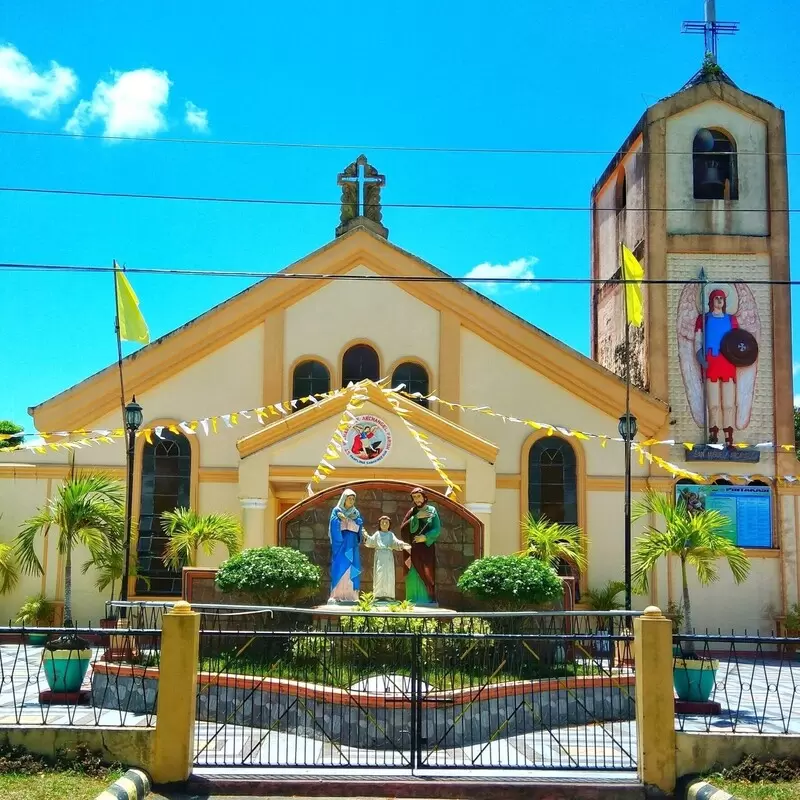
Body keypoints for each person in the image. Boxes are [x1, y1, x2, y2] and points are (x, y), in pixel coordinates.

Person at [694, 288, 738, 447]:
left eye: (721, 298)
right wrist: (700, 356)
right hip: (711, 361)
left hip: (728, 362)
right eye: (716, 298)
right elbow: (698, 339)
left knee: (728, 403)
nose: (719, 300)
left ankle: (729, 437)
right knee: (713, 403)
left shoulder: (731, 320)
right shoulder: (703, 319)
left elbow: (738, 341)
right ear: (711, 301)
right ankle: (713, 434)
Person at [400, 487, 441, 604]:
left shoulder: (432, 511)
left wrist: (426, 537)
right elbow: (403, 529)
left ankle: (427, 599)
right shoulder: (412, 512)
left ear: (424, 497)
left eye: (419, 496)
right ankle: (411, 600)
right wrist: (415, 518)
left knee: (427, 573)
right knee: (413, 573)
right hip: (413, 550)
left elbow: (437, 529)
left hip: (426, 549)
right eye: (414, 497)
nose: (417, 499)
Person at [327, 488, 363, 604]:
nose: (351, 501)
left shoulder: (355, 513)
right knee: (339, 567)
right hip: (341, 544)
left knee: (352, 567)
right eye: (349, 498)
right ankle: (336, 595)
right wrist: (341, 521)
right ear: (344, 499)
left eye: (353, 499)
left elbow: (358, 527)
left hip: (351, 544)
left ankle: (352, 595)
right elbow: (333, 525)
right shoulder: (337, 511)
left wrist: (349, 522)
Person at [364, 516, 410, 600]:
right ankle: (378, 595)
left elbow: (396, 542)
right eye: (382, 523)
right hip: (380, 556)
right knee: (379, 574)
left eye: (386, 523)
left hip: (388, 557)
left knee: (389, 575)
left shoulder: (390, 534)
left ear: (389, 525)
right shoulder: (377, 534)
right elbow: (370, 542)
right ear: (379, 524)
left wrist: (403, 544)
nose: (384, 524)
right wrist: (366, 536)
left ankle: (389, 595)